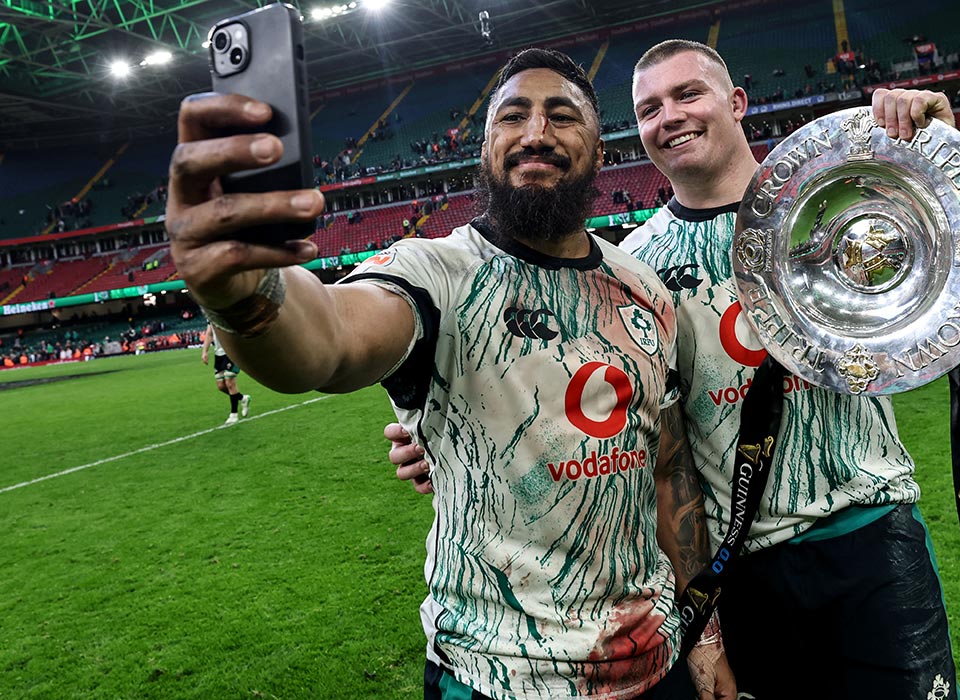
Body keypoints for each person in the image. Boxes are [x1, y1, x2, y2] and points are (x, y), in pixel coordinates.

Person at [391, 40, 960, 700]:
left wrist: (954, 165)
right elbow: (606, 422)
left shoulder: (833, 194)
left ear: (736, 103)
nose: (669, 115)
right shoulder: (634, 272)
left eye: (687, 94)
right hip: (739, 571)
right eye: (648, 108)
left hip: (869, 537)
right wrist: (437, 435)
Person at [168, 48, 731, 700]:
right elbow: (329, 342)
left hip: (656, 668)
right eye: (512, 116)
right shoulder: (436, 274)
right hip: (495, 677)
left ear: (600, 149)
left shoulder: (644, 290)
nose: (536, 133)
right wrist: (245, 291)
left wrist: (706, 634)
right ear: (487, 146)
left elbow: (664, 471)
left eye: (562, 116)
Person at [200, 322, 250, 425]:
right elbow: (209, 334)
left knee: (229, 383)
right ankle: (242, 398)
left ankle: (234, 414)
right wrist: (204, 352)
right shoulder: (211, 316)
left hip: (232, 352)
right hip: (219, 354)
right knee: (221, 386)